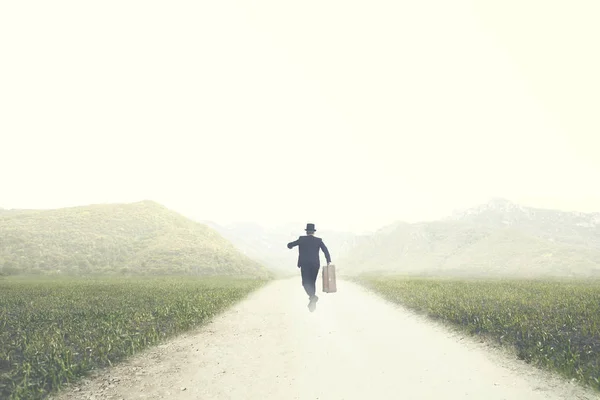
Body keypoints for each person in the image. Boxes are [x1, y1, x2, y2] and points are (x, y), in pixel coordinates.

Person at [287, 223, 332, 312]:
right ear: (313, 232)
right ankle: (312, 302)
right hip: (315, 264)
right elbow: (325, 250)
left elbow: (290, 245)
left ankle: (313, 297)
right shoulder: (318, 240)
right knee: (312, 282)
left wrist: (289, 245)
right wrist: (328, 261)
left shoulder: (302, 239)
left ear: (307, 231)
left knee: (305, 283)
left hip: (305, 264)